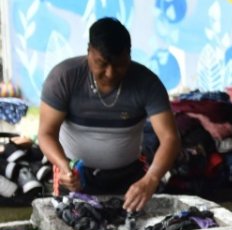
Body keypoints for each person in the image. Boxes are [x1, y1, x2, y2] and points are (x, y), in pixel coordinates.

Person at [38, 17, 181, 212]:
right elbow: (46, 133)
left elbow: (170, 138)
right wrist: (64, 166)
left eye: (120, 64)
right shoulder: (63, 77)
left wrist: (152, 179)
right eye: (102, 63)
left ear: (129, 55)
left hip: (129, 179)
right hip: (74, 176)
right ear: (89, 52)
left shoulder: (147, 83)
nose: (110, 73)